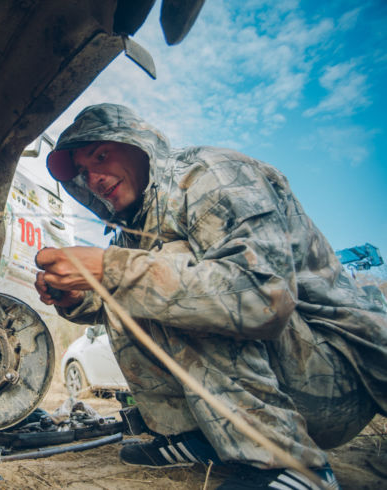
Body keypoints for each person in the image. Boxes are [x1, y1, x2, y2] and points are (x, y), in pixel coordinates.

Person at [34, 103, 387, 489]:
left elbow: (261, 298)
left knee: (156, 267)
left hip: (337, 379)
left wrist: (110, 268)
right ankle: (202, 437)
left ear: (138, 145)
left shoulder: (210, 175)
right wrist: (72, 295)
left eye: (102, 156)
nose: (95, 179)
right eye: (84, 172)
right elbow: (113, 299)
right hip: (284, 383)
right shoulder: (131, 227)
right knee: (134, 273)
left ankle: (288, 465)